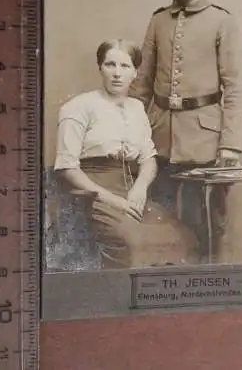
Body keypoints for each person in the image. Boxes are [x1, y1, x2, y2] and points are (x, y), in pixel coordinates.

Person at [129, 0, 242, 262]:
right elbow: (141, 83)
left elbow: (236, 88)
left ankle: (207, 282)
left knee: (207, 221)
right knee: (160, 217)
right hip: (161, 137)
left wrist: (231, 145)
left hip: (206, 141)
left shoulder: (222, 21)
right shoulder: (158, 21)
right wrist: (130, 133)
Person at [53, 38, 199, 270]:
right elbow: (67, 167)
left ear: (135, 73)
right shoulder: (78, 107)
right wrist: (114, 201)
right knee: (131, 242)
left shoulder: (136, 108)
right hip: (95, 196)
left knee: (183, 239)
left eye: (125, 66)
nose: (117, 73)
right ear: (100, 67)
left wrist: (140, 188)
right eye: (110, 65)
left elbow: (148, 159)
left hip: (132, 195)